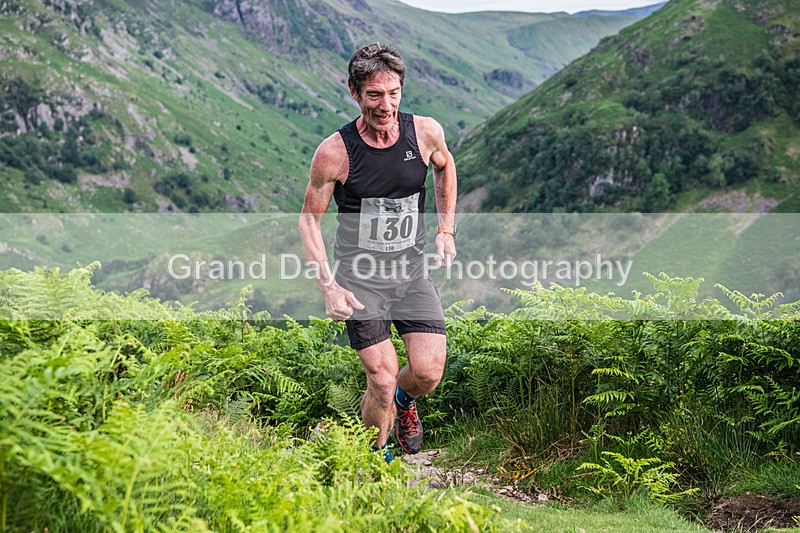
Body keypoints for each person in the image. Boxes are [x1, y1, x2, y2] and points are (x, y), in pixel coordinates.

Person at [298, 43, 457, 461]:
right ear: (354, 92)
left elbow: (444, 165)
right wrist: (329, 287)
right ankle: (374, 462)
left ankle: (404, 406)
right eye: (374, 95)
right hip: (360, 280)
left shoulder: (424, 132)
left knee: (426, 373)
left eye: (393, 93)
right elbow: (308, 221)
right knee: (382, 380)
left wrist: (445, 229)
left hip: (411, 274)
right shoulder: (335, 152)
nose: (385, 105)